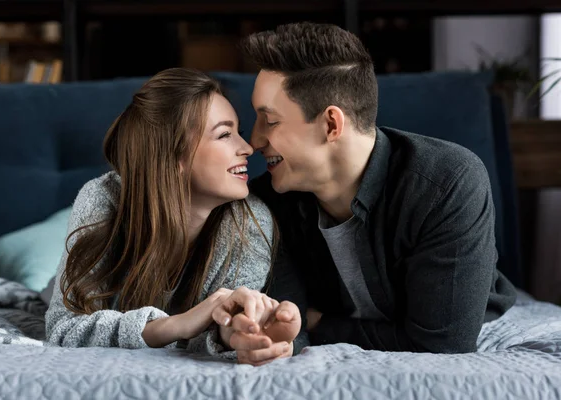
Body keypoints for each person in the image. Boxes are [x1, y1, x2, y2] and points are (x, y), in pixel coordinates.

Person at [220, 22, 517, 363]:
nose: (255, 141)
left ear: (331, 124)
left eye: (269, 121)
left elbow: (443, 345)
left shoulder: (447, 183)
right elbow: (289, 323)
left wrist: (322, 324)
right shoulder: (269, 203)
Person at [45, 68, 301, 360]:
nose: (247, 148)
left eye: (238, 133)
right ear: (174, 155)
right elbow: (63, 328)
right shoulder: (103, 198)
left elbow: (213, 332)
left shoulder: (250, 223)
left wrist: (238, 334)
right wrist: (176, 324)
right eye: (225, 134)